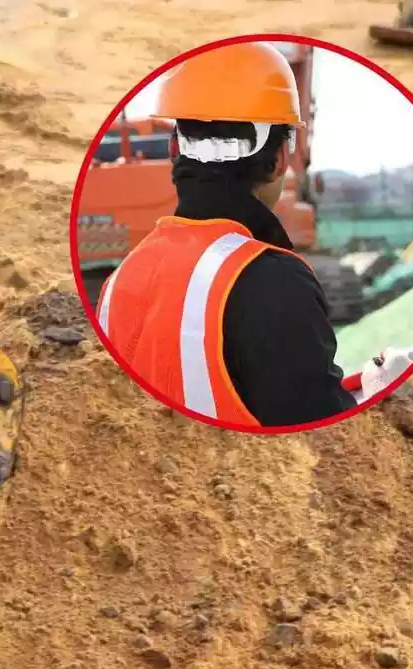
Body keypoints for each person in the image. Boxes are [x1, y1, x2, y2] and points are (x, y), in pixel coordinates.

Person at [95, 41, 358, 428]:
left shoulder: (118, 282)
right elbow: (325, 437)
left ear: (174, 148)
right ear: (280, 160)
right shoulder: (275, 282)